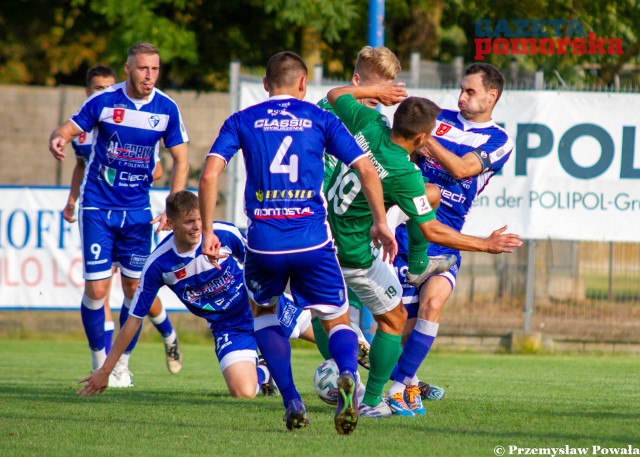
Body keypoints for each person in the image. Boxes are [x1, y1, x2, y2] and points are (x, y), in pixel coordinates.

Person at [198, 51, 397, 435]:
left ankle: (291, 399)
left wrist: (208, 232)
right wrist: (381, 222)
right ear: (303, 85)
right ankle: (347, 375)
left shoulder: (242, 119)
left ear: (266, 85)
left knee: (265, 314)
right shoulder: (320, 118)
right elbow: (366, 169)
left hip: (263, 243)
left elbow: (209, 176)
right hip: (312, 241)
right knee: (336, 317)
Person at [324, 83, 521, 418]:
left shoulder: (370, 124)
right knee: (394, 320)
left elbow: (334, 95)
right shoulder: (404, 174)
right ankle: (372, 401)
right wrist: (485, 245)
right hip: (354, 253)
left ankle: (349, 375)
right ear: (421, 140)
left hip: (321, 239)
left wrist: (377, 90)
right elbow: (431, 229)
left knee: (336, 317)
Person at [76, 190, 314, 398]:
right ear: (171, 223)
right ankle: (263, 370)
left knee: (325, 338)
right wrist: (106, 369)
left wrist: (270, 293)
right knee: (244, 393)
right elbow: (133, 321)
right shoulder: (159, 265)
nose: (198, 227)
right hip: (228, 327)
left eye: (200, 219)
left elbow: (262, 260)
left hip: (260, 306)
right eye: (190, 221)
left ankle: (346, 371)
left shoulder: (223, 233)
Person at [48, 42, 189, 388]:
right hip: (97, 205)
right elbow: (66, 129)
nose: (150, 76)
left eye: (155, 69)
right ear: (127, 69)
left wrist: (172, 209)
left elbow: (181, 161)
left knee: (134, 289)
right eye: (143, 69)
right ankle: (101, 364)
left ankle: (121, 364)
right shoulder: (103, 101)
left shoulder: (167, 108)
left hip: (138, 211)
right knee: (97, 290)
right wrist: (57, 139)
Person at [313, 46, 453, 370]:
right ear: (358, 81)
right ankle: (353, 374)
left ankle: (417, 266)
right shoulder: (332, 114)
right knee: (338, 307)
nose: (382, 100)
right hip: (335, 218)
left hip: (358, 210)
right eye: (377, 92)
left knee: (430, 194)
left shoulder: (364, 114)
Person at [389, 63, 515, 408]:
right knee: (399, 326)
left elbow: (462, 169)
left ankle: (399, 388)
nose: (461, 97)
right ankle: (410, 380)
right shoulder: (437, 116)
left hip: (445, 237)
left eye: (470, 92)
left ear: (492, 96)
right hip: (407, 229)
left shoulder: (499, 141)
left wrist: (429, 142)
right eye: (461, 89)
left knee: (433, 305)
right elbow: (402, 149)